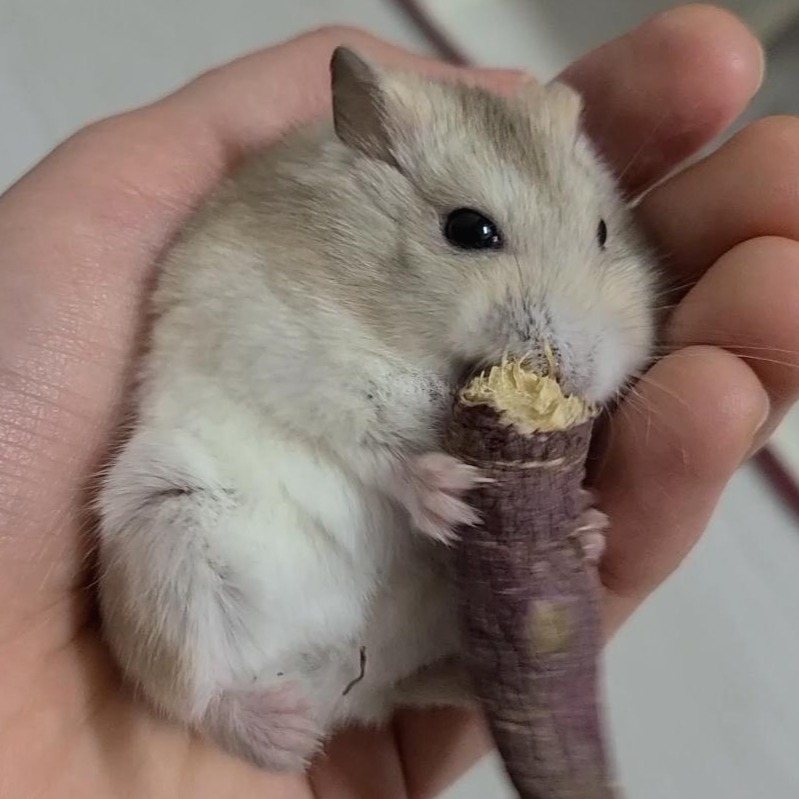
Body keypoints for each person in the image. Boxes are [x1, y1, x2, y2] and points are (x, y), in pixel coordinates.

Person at [1, 5, 798, 797]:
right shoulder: (277, 242)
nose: (570, 336)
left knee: (528, 576)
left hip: (387, 630)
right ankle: (207, 695)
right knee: (156, 512)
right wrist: (393, 462)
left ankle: (445, 662)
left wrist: (546, 525)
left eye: (596, 240)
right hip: (244, 534)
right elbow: (248, 349)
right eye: (474, 234)